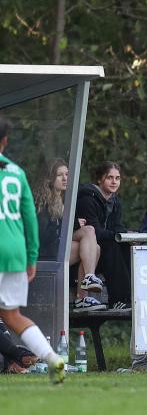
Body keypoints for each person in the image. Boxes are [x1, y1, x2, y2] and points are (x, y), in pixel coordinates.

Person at [0, 115, 65, 383]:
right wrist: (32, 257)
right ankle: (53, 359)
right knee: (12, 315)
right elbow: (30, 219)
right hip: (15, 251)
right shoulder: (17, 172)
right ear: (5, 141)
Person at [34, 158, 106, 311]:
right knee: (92, 244)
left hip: (59, 244)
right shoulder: (42, 201)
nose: (65, 178)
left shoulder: (64, 199)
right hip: (46, 252)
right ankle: (82, 296)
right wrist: (69, 224)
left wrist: (73, 224)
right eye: (60, 175)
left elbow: (65, 229)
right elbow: (44, 235)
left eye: (67, 174)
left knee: (91, 236)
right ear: (50, 178)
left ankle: (88, 281)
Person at [75, 161, 132, 311]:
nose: (114, 182)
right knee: (112, 247)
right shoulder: (87, 199)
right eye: (109, 178)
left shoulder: (115, 201)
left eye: (117, 178)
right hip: (87, 253)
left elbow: (117, 226)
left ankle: (129, 298)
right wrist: (117, 235)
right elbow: (96, 231)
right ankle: (118, 300)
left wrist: (127, 235)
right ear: (100, 179)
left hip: (103, 250)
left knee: (127, 246)